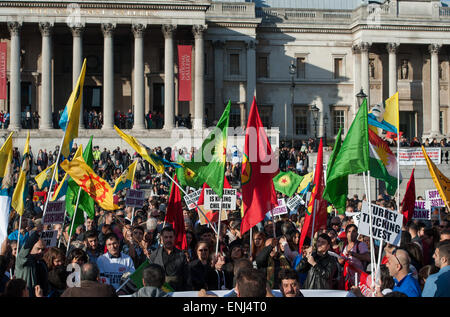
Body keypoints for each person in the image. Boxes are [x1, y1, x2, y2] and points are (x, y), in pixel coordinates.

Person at [149, 226, 188, 291]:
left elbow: (186, 277)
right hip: (159, 292)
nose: (168, 240)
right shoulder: (154, 255)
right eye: (166, 237)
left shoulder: (181, 255)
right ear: (162, 238)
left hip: (177, 291)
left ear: (174, 238)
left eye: (170, 237)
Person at [14, 230, 49, 297]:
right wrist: (36, 233)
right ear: (31, 248)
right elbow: (25, 248)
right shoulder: (23, 261)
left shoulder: (42, 263)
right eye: (38, 249)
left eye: (43, 249)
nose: (40, 252)